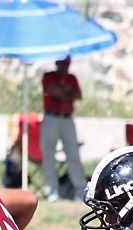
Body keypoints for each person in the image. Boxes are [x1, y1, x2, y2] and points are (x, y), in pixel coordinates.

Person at [40, 56, 86, 202]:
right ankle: (52, 190)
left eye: (67, 64)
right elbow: (53, 91)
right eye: (63, 63)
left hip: (67, 118)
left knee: (73, 155)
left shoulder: (72, 78)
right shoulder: (49, 76)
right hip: (51, 118)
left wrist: (64, 93)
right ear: (57, 63)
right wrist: (66, 93)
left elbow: (78, 95)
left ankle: (80, 190)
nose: (65, 67)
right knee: (49, 155)